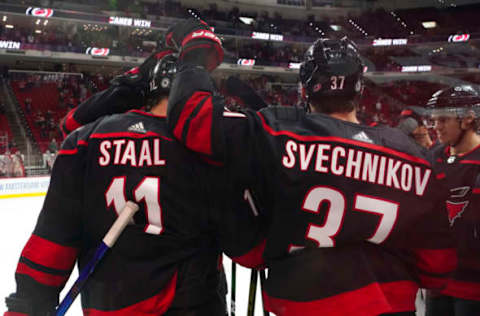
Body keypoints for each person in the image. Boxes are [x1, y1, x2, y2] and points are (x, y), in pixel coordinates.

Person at [165, 19, 456, 315]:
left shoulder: (277, 132)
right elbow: (438, 264)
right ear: (359, 90)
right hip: (389, 306)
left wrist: (196, 53)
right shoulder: (415, 156)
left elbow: (193, 117)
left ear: (304, 91)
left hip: (302, 303)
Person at [4, 49, 262, 316]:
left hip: (108, 305)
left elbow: (53, 238)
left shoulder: (85, 139)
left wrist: (27, 303)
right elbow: (248, 250)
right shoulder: (208, 147)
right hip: (193, 304)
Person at [425, 85, 480, 316]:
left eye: (444, 120)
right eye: (435, 120)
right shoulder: (434, 157)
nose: (436, 127)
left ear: (467, 120)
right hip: (437, 280)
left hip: (474, 284)